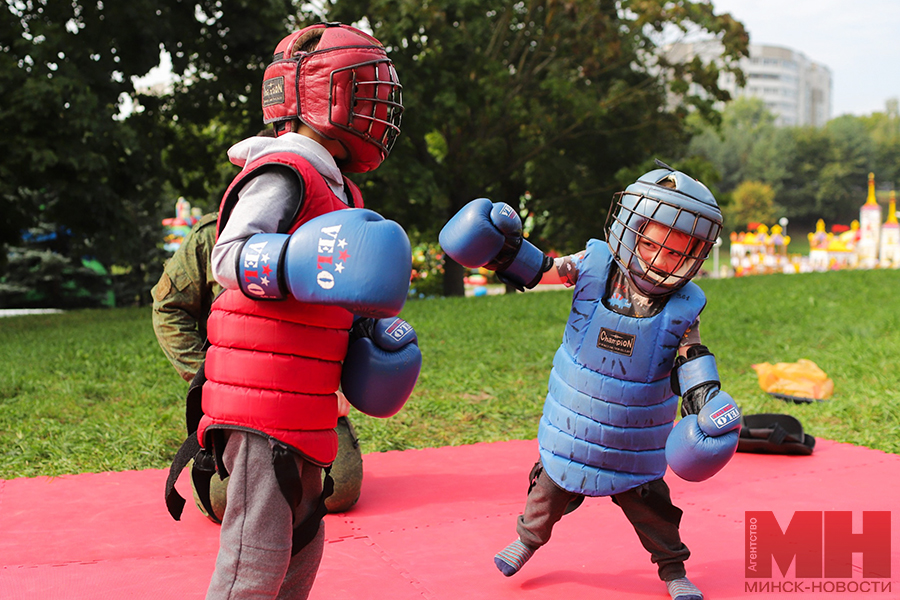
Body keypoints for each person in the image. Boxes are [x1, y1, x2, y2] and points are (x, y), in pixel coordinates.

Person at [163, 23, 421, 600]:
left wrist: (369, 334)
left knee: (303, 540)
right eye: (368, 89)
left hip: (305, 402)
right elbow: (229, 256)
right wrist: (295, 264)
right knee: (254, 558)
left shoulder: (341, 191)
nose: (382, 104)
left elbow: (327, 289)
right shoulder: (284, 168)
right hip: (260, 405)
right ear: (320, 93)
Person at [439, 164, 742, 600]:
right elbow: (543, 269)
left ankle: (673, 569)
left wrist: (705, 401)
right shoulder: (593, 264)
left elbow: (690, 356)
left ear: (695, 256)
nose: (660, 260)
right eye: (652, 245)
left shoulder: (684, 307)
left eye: (676, 254)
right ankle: (527, 540)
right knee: (548, 488)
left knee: (654, 512)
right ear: (630, 231)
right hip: (574, 427)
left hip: (635, 443)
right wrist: (502, 251)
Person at [151, 210, 365, 519]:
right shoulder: (215, 233)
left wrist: (340, 385)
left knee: (338, 490)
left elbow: (356, 312)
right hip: (238, 398)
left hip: (308, 394)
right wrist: (210, 378)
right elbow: (169, 308)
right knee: (226, 501)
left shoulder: (333, 229)